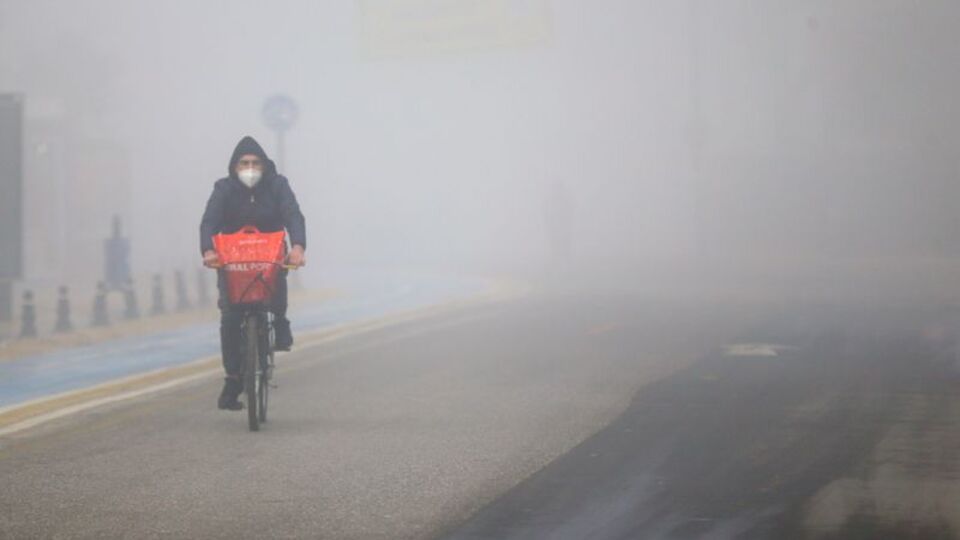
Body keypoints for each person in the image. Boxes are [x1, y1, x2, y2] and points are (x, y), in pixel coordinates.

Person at [200, 136, 306, 410]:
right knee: (230, 317)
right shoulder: (223, 189)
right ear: (234, 166)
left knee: (275, 286)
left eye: (255, 163)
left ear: (264, 165)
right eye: (244, 163)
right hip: (233, 261)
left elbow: (293, 214)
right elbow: (209, 221)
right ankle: (233, 380)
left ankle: (281, 322)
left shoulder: (277, 185)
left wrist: (297, 247)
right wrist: (208, 251)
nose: (250, 168)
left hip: (268, 256)